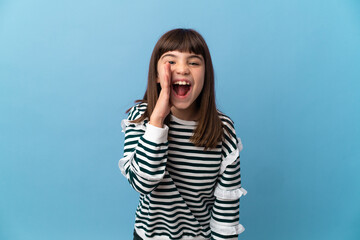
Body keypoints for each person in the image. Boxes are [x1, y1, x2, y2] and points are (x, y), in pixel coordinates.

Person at [119, 28, 247, 240]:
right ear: (157, 75)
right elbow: (142, 182)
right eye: (171, 61)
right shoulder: (142, 117)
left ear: (206, 75)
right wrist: (157, 121)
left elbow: (226, 211)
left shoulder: (223, 130)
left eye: (194, 62)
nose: (183, 69)